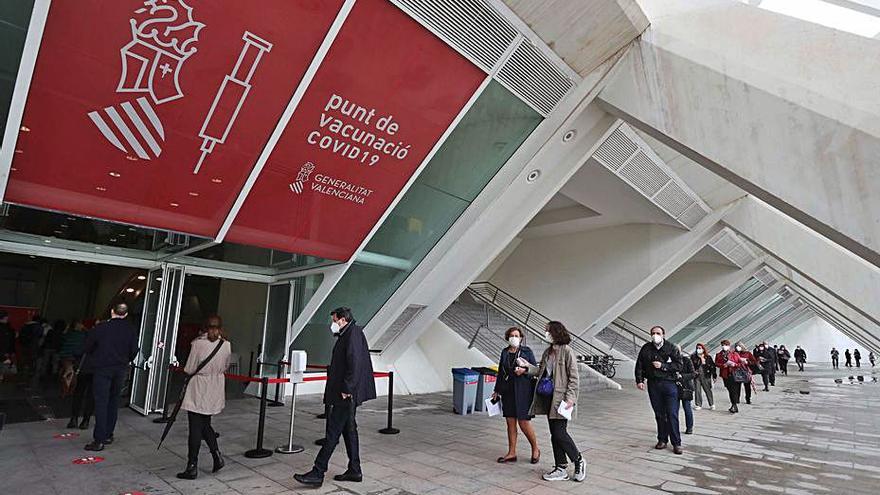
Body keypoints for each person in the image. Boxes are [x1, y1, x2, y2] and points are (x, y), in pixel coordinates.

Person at [295, 307, 377, 487]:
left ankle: (318, 471)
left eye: (334, 320)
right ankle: (355, 470)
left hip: (345, 394)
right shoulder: (349, 333)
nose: (332, 324)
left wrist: (347, 388)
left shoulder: (352, 334)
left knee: (332, 432)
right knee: (349, 430)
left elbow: (354, 362)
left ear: (342, 320)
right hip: (345, 393)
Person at [524, 321, 585, 482]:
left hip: (563, 398)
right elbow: (542, 372)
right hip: (549, 398)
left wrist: (571, 398)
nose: (546, 333)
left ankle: (578, 460)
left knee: (559, 432)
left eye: (547, 330)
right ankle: (560, 467)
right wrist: (527, 368)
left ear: (556, 332)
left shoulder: (567, 351)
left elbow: (574, 378)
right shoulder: (548, 351)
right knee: (554, 434)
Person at [176, 315, 232, 480]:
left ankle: (192, 465)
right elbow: (226, 366)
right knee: (205, 424)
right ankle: (216, 456)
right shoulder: (226, 345)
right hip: (215, 387)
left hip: (199, 387)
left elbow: (190, 368)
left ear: (205, 327)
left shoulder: (198, 344)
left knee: (195, 427)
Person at [83, 303, 139, 451]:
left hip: (102, 368)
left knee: (101, 402)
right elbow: (134, 350)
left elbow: (88, 347)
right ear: (126, 314)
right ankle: (108, 433)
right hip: (120, 368)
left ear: (112, 312)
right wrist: (125, 359)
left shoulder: (101, 328)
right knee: (113, 401)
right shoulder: (131, 330)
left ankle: (99, 439)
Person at [491, 327, 540, 464]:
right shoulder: (505, 352)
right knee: (510, 423)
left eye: (516, 335)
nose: (514, 337)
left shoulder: (526, 351)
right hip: (508, 391)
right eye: (512, 335)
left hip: (523, 391)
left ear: (521, 338)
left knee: (524, 422)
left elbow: (535, 370)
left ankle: (535, 449)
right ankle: (511, 452)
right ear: (508, 337)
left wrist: (524, 370)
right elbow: (501, 371)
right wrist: (497, 390)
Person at [635, 326, 684, 455]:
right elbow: (639, 365)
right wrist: (639, 380)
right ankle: (662, 439)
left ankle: (676, 443)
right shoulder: (646, 348)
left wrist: (663, 366)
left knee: (672, 414)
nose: (655, 335)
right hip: (654, 384)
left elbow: (679, 365)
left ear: (663, 334)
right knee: (659, 414)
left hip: (669, 384)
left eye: (658, 333)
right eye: (653, 333)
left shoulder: (671, 347)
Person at [60, 321, 94, 429]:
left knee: (78, 394)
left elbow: (77, 351)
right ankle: (86, 420)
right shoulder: (104, 343)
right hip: (96, 370)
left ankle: (74, 418)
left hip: (83, 369)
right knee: (91, 396)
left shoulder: (85, 340)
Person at [715, 339, 747, 413]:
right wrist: (723, 365)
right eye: (723, 345)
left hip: (734, 373)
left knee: (733, 390)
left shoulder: (734, 354)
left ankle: (734, 405)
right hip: (725, 374)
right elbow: (716, 363)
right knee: (730, 389)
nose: (724, 347)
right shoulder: (719, 355)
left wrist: (735, 364)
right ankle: (734, 405)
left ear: (729, 346)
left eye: (726, 345)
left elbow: (740, 363)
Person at [691, 343, 716, 411]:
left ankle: (711, 404)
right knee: (697, 390)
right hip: (697, 376)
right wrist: (699, 361)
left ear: (703, 349)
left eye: (700, 348)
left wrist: (714, 376)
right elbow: (692, 366)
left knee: (708, 390)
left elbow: (712, 367)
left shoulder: (708, 357)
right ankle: (698, 404)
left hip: (706, 375)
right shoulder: (693, 357)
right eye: (697, 348)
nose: (698, 349)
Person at [677, 345, 696, 435]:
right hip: (674, 387)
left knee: (687, 407)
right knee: (673, 409)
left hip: (686, 387)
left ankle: (689, 427)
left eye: (677, 350)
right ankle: (674, 427)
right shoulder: (669, 360)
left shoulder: (686, 360)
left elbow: (693, 374)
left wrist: (682, 376)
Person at [0, 311, 15, 383]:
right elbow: (7, 341)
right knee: (2, 366)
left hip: (3, 351)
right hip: (3, 351)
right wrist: (8, 352)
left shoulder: (7, 328)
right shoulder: (7, 328)